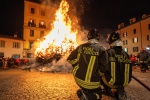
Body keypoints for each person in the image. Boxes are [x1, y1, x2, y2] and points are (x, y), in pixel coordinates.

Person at [67, 29, 108, 100]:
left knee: (87, 86)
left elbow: (70, 59)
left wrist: (77, 66)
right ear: (98, 38)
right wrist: (97, 74)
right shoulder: (101, 49)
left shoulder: (80, 47)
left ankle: (85, 91)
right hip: (93, 83)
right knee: (98, 94)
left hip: (79, 79)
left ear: (88, 37)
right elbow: (103, 68)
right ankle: (88, 96)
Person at [101, 32, 132, 100]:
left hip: (111, 83)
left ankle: (107, 89)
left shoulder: (108, 52)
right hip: (125, 82)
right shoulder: (126, 54)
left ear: (111, 42)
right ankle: (120, 89)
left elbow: (102, 67)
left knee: (99, 72)